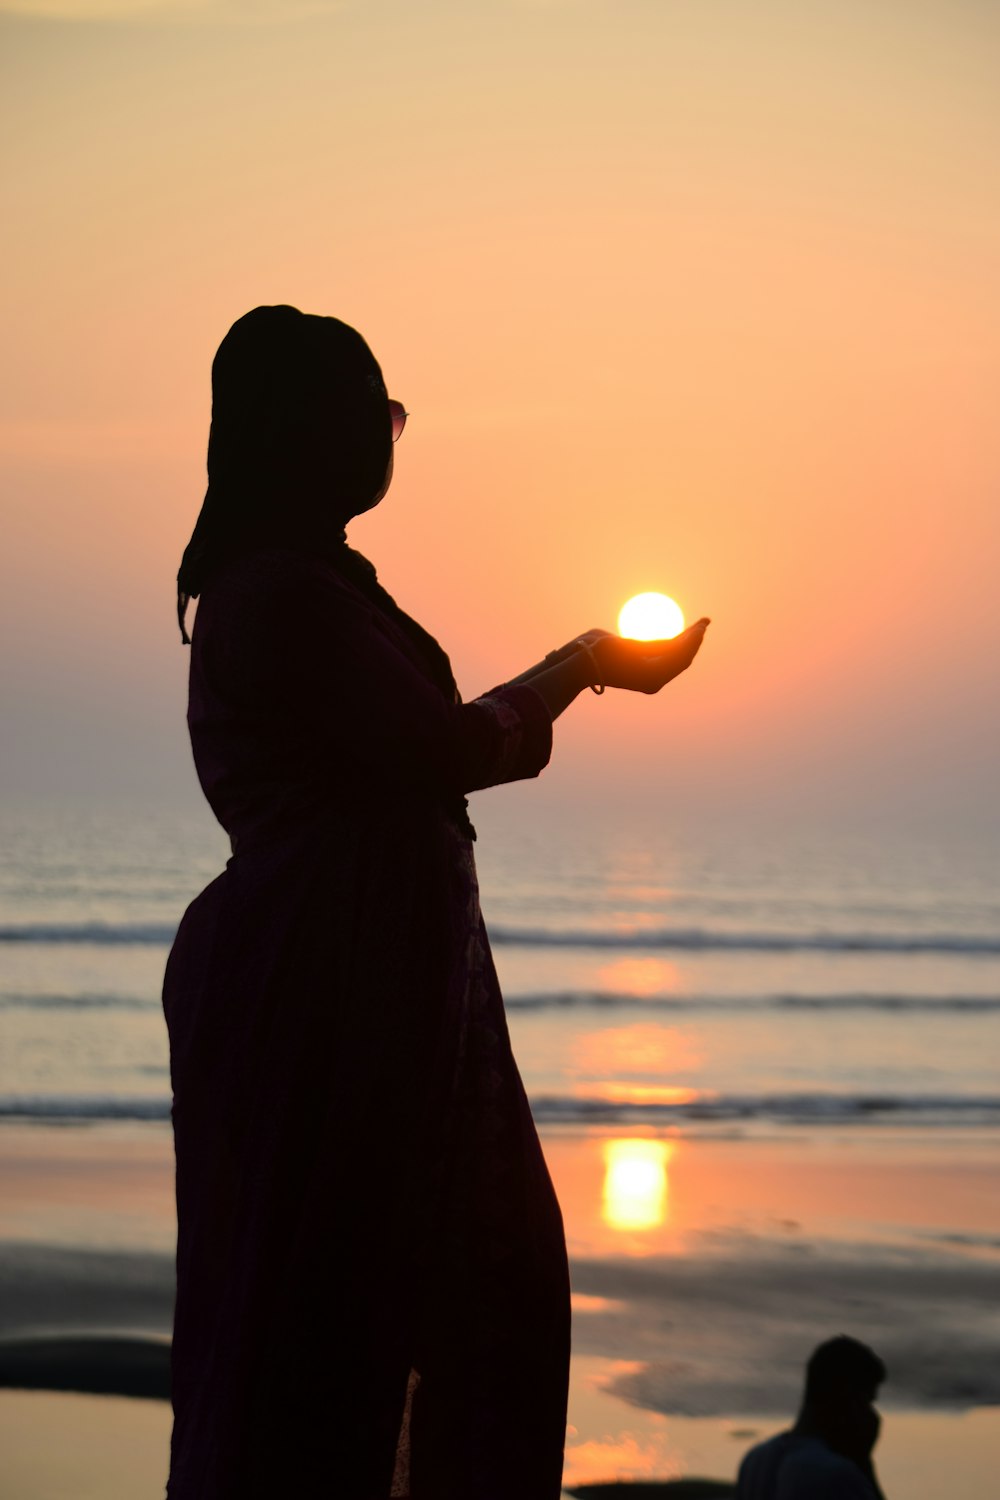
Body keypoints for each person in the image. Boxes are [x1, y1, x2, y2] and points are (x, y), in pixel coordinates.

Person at [163, 304, 710, 1500]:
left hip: (382, 969)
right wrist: (581, 663)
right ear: (293, 430)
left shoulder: (310, 588)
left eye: (387, 408)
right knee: (340, 1303)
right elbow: (446, 749)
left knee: (452, 1286)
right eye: (362, 406)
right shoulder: (283, 597)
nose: (381, 431)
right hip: (325, 980)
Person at [736, 1336, 888, 1500]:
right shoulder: (836, 1474)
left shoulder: (755, 1460)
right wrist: (864, 1463)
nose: (872, 1416)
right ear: (850, 1398)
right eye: (867, 1402)